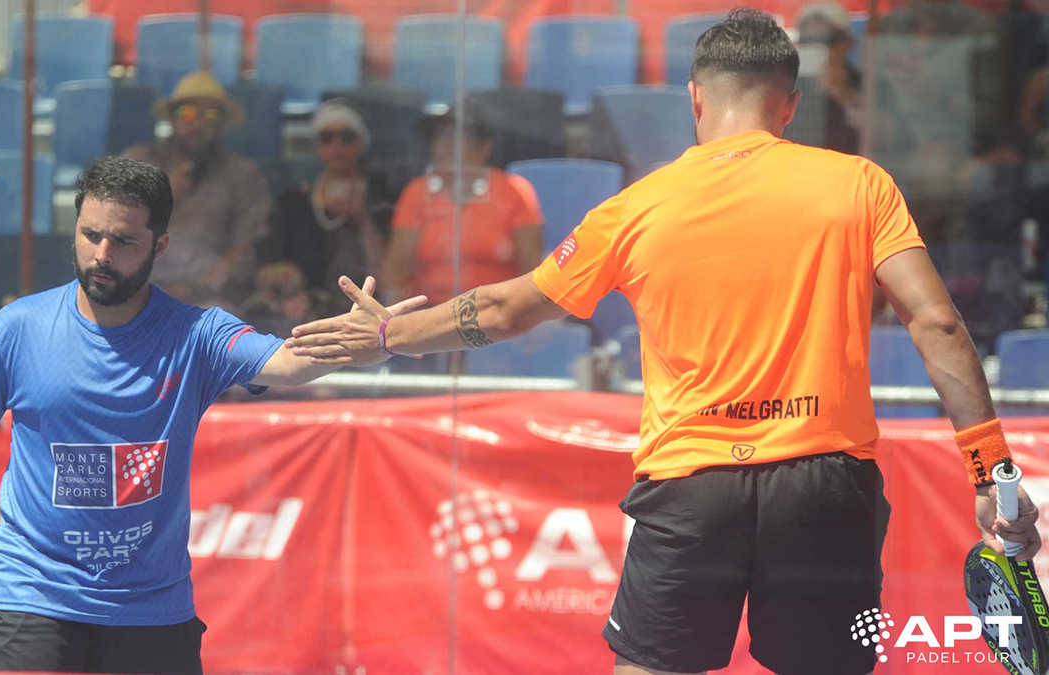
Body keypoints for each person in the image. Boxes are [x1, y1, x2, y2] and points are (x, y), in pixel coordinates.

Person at [285, 9, 1042, 675]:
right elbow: (938, 324)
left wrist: (387, 334)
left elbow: (508, 308)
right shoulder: (860, 184)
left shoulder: (635, 209)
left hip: (690, 485)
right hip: (823, 482)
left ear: (696, 98)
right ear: (790, 105)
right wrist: (991, 473)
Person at [0, 157, 423, 674]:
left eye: (123, 241)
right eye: (91, 234)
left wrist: (372, 340)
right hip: (33, 593)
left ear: (159, 245)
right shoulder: (20, 326)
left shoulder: (197, 334)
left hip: (152, 608)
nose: (102, 254)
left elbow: (286, 362)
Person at [123, 71, 271, 306]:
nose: (199, 124)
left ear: (221, 125)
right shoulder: (138, 163)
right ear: (172, 118)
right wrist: (161, 196)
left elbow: (247, 247)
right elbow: (115, 227)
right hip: (137, 290)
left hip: (208, 298)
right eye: (188, 113)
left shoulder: (242, 174)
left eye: (211, 115)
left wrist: (196, 289)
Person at [250, 99, 395, 336]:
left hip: (369, 309)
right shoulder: (294, 201)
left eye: (346, 137)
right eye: (327, 137)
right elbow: (266, 265)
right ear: (317, 146)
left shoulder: (382, 198)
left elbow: (391, 271)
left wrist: (363, 221)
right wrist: (288, 282)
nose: (337, 145)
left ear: (361, 143)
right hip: (302, 309)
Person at [378, 103, 543, 308]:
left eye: (455, 139)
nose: (443, 147)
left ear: (484, 147)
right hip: (428, 314)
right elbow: (396, 266)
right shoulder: (417, 192)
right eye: (439, 138)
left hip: (494, 313)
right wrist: (390, 312)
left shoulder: (515, 191)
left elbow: (531, 271)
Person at [794, 2, 861, 154]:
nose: (817, 48)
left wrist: (842, 94)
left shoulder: (867, 84)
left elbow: (885, 133)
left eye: (827, 40)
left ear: (848, 43)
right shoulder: (788, 87)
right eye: (808, 41)